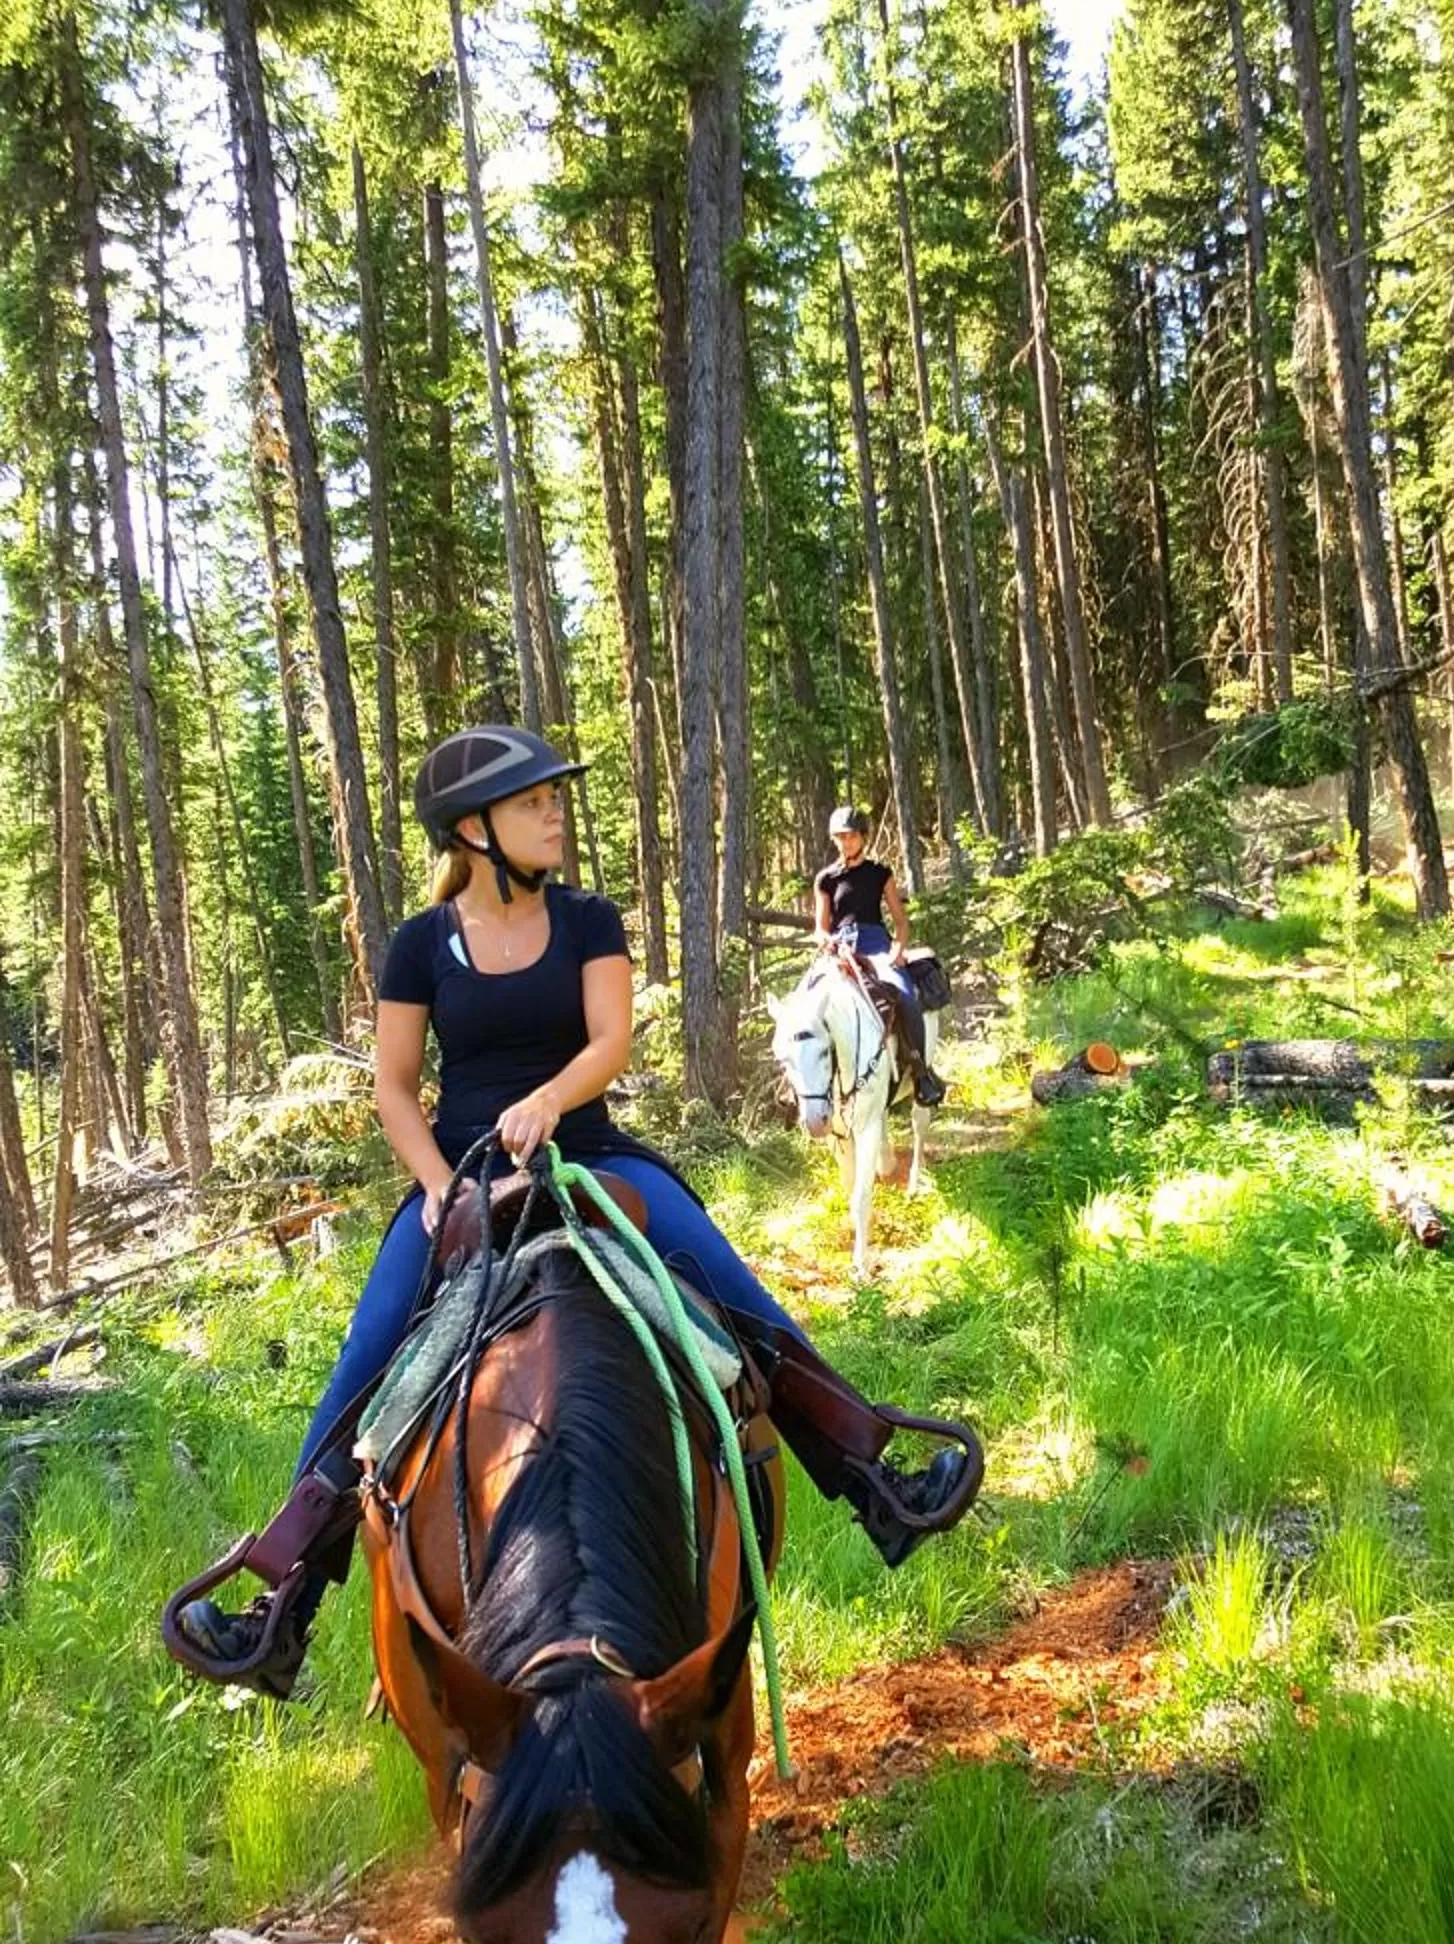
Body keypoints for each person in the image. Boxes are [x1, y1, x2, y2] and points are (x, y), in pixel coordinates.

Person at [170, 727, 981, 1699]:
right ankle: (284, 1601)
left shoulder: (589, 920)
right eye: (531, 802)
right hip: (464, 1173)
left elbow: (608, 1041)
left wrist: (552, 1101)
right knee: (371, 1350)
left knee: (730, 1292)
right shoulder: (422, 947)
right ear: (472, 829)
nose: (554, 812)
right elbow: (393, 1087)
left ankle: (869, 1477)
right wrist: (434, 1188)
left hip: (590, 1152)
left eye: (553, 797)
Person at [813, 806, 945, 1108]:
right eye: (840, 837)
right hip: (839, 948)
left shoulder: (880, 873)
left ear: (863, 837)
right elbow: (820, 928)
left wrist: (898, 950)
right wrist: (828, 943)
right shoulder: (825, 879)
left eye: (851, 836)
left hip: (876, 944)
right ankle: (801, 1087)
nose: (845, 842)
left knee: (905, 995)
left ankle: (921, 1072)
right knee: (807, 1001)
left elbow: (900, 921)